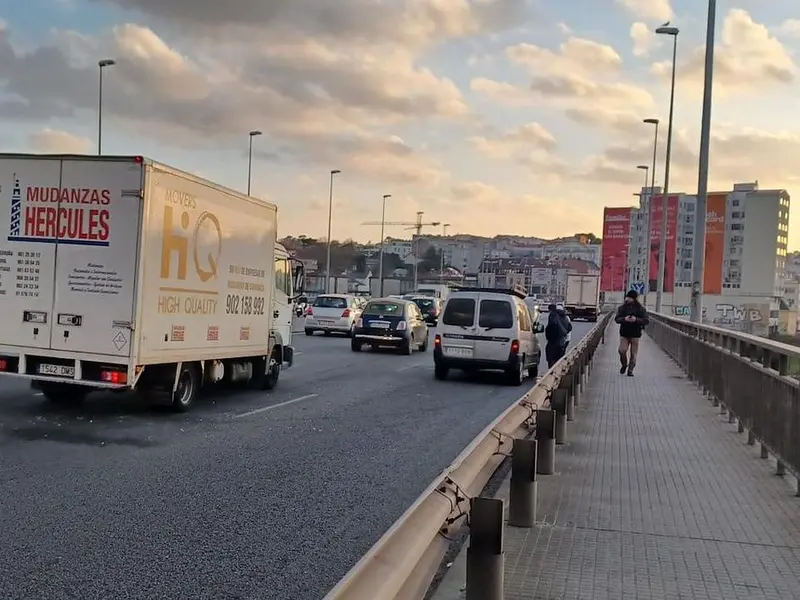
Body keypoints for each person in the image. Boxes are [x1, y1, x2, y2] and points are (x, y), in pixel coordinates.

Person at [615, 290, 649, 376]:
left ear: (634, 298)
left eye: (629, 297)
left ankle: (630, 370)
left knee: (633, 354)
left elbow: (646, 320)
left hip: (635, 334)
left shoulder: (641, 309)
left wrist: (636, 319)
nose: (627, 299)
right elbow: (617, 319)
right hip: (624, 333)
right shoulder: (622, 308)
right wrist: (624, 319)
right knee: (622, 350)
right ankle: (624, 364)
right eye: (627, 297)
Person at [544, 303, 568, 368]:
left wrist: (548, 337)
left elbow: (551, 327)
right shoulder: (565, 316)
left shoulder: (553, 315)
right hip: (562, 341)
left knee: (551, 358)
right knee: (559, 360)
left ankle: (551, 373)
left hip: (553, 342)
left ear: (550, 310)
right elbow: (569, 327)